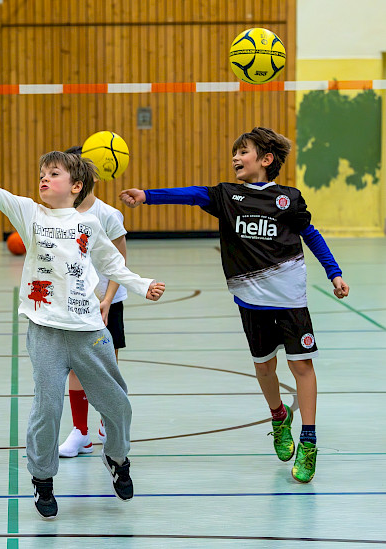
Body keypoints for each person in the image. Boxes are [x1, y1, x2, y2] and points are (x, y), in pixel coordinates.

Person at [119, 127, 349, 484]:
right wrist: (147, 196)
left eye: (243, 152)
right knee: (264, 368)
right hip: (251, 300)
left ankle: (309, 441)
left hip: (291, 299)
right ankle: (278, 417)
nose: (235, 158)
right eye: (235, 153)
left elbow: (311, 235)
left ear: (266, 160)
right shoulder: (228, 195)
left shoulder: (288, 198)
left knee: (301, 365)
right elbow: (193, 195)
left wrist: (334, 273)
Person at [0, 151, 165, 519]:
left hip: (89, 332)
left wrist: (144, 285)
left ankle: (117, 457)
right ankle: (43, 480)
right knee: (47, 409)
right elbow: (4, 198)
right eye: (42, 173)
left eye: (53, 174)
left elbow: (112, 264)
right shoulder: (31, 214)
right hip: (44, 333)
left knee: (118, 404)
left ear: (76, 187)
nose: (44, 179)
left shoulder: (89, 225)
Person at [58, 145, 129, 458]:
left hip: (107, 303)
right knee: (76, 367)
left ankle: (107, 425)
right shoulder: (56, 215)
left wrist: (107, 299)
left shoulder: (108, 215)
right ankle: (80, 432)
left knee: (105, 367)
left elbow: (120, 263)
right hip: (74, 304)